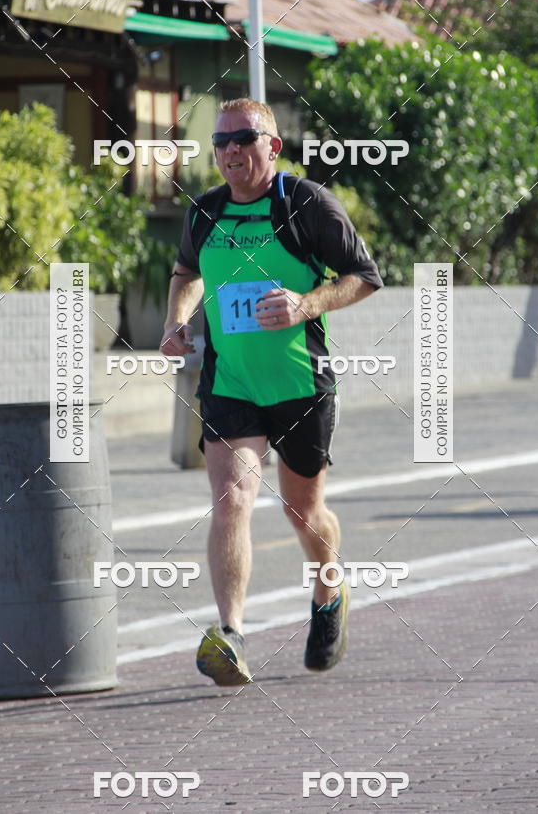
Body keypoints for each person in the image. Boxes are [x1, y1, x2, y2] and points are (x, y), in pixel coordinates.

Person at [160, 98, 383, 686]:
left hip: (300, 384)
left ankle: (329, 591)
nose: (231, 149)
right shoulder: (205, 211)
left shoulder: (305, 205)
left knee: (302, 510)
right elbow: (186, 271)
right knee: (232, 500)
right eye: (221, 141)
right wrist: (176, 322)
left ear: (272, 147)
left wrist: (305, 304)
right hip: (230, 384)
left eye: (244, 138)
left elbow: (365, 276)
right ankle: (230, 633)